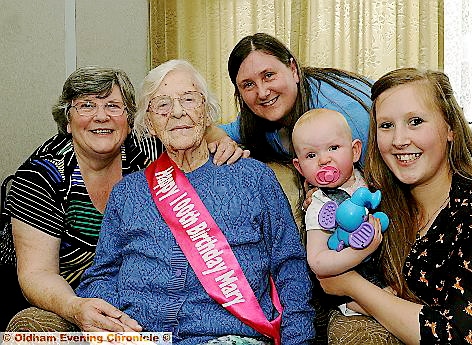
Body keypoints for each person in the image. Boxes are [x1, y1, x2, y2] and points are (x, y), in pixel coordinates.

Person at [76, 59, 315, 345]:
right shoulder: (128, 193)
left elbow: (289, 266)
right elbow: (102, 274)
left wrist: (298, 340)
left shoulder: (253, 178)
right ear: (149, 123)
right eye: (162, 105)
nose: (177, 112)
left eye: (189, 99)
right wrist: (113, 322)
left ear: (206, 111)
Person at [5, 66, 245, 332]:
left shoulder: (145, 148)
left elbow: (191, 125)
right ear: (67, 120)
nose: (101, 116)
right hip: (68, 297)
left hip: (142, 294)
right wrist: (77, 308)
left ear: (130, 119)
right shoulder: (41, 176)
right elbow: (37, 273)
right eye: (86, 105)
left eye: (113, 106)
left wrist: (224, 142)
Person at [318, 68, 472, 344]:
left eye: (415, 121)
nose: (399, 140)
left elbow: (461, 337)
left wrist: (354, 286)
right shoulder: (379, 206)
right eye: (386, 126)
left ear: (451, 129)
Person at [207, 32, 373, 166]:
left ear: (293, 70)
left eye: (269, 75)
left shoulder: (342, 115)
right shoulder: (257, 119)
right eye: (248, 84)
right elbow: (215, 132)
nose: (262, 93)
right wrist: (224, 143)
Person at [291, 108, 386, 317]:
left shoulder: (366, 178)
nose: (324, 160)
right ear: (300, 168)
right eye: (311, 155)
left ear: (355, 151)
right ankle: (354, 305)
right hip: (349, 283)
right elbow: (317, 262)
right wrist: (359, 252)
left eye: (333, 147)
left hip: (384, 268)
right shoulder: (318, 205)